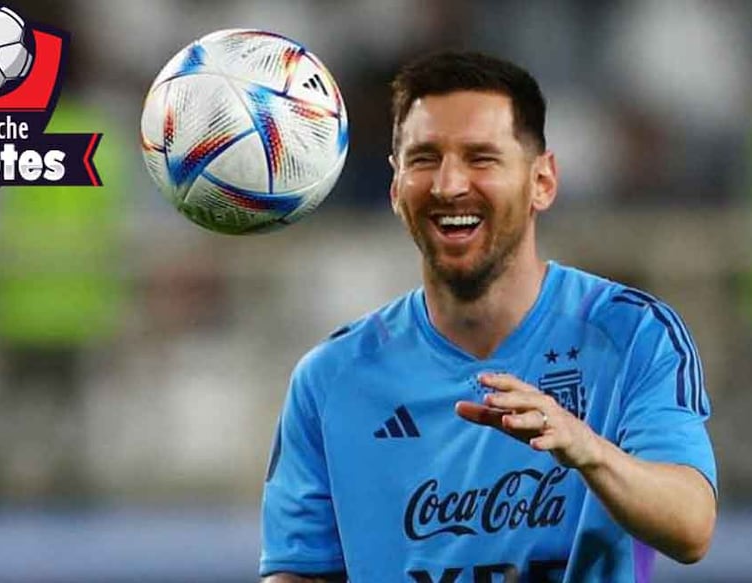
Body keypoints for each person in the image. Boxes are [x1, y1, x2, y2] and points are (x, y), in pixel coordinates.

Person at [260, 51, 717, 582]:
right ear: (394, 187)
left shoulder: (631, 334)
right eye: (425, 158)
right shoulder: (332, 379)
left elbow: (692, 525)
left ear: (542, 181)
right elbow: (298, 572)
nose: (449, 185)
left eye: (481, 158)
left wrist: (587, 449)